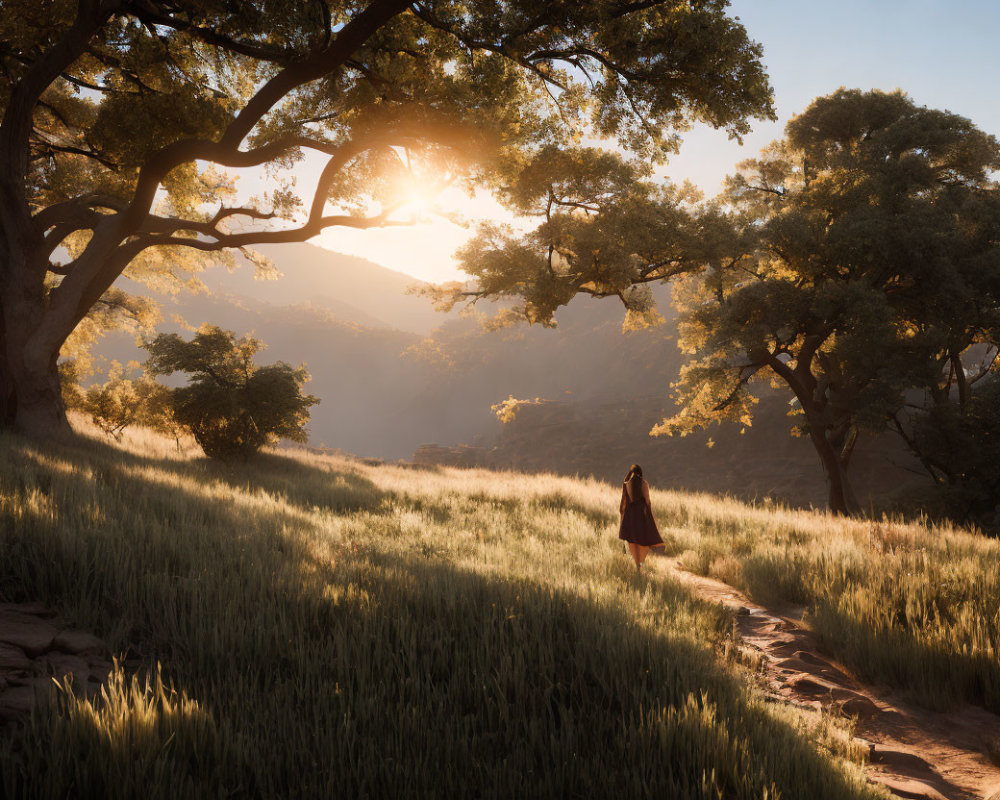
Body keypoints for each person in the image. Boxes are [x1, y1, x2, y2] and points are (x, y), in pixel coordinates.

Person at [618, 464, 664, 571]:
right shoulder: (644, 484)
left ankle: (636, 563)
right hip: (640, 516)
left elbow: (623, 504)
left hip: (629, 516)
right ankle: (640, 564)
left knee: (632, 541)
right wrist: (649, 517)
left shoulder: (626, 483)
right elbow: (648, 502)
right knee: (641, 541)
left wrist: (622, 518)